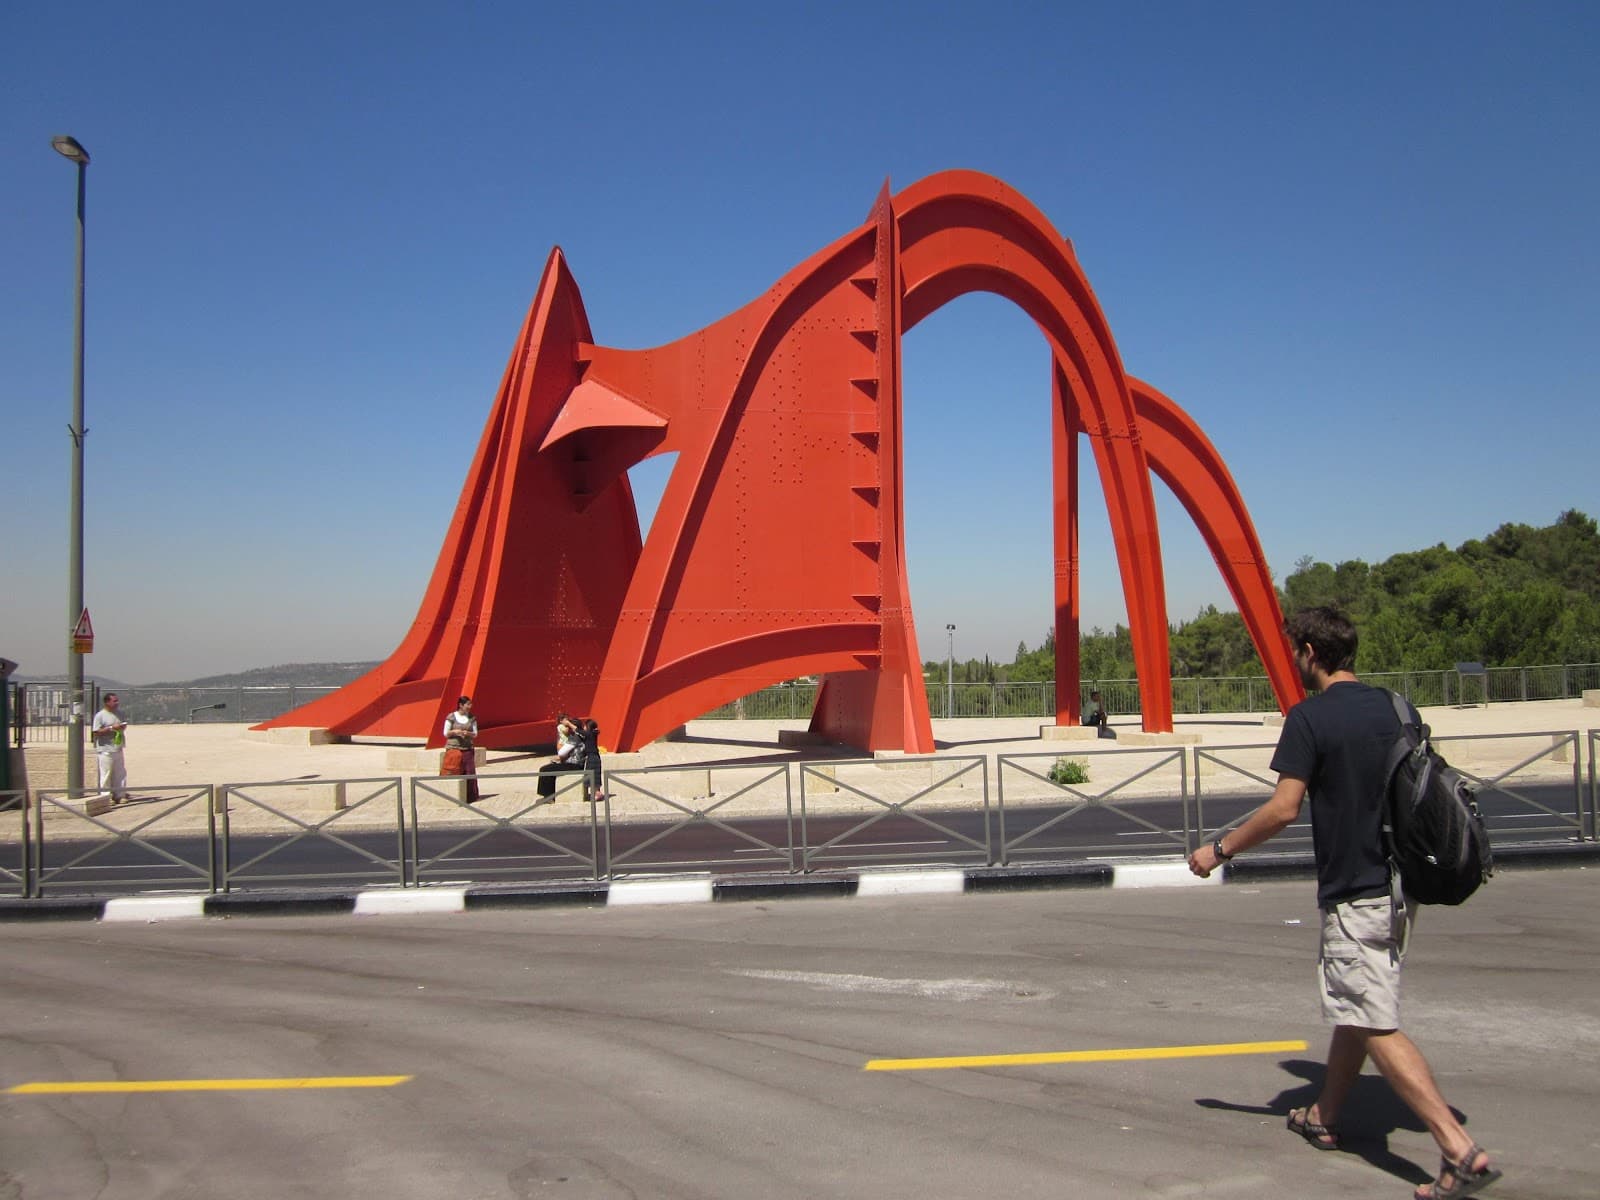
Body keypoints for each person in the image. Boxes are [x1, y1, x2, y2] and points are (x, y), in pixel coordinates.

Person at [1187, 607, 1501, 1200]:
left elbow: (1284, 808)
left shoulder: (1308, 718)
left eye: (1295, 652)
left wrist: (1219, 850)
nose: (1294, 662)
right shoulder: (1395, 707)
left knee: (1375, 1020)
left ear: (1310, 652)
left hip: (1356, 892)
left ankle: (1459, 1151)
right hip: (1400, 888)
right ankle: (1326, 1116)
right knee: (1357, 1005)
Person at [90, 692, 130, 803]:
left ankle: (120, 794)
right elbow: (96, 732)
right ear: (107, 702)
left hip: (118, 747)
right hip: (105, 749)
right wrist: (111, 728)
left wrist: (122, 727)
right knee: (106, 774)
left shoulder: (120, 713)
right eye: (114, 701)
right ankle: (106, 796)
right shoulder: (100, 716)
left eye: (117, 700)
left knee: (120, 773)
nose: (117, 703)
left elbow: (122, 725)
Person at [440, 695, 480, 803]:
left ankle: (470, 796)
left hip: (467, 748)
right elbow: (445, 733)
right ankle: (452, 796)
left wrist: (468, 733)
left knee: (469, 772)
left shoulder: (472, 718)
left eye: (470, 704)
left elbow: (475, 734)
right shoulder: (451, 717)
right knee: (453, 770)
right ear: (461, 705)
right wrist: (455, 732)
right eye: (468, 704)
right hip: (454, 749)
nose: (470, 706)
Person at [537, 714, 584, 799]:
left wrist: (555, 756)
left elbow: (561, 753)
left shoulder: (574, 738)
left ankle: (548, 796)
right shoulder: (583, 736)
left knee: (545, 769)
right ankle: (549, 795)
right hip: (578, 764)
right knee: (550, 768)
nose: (566, 729)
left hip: (573, 765)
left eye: (568, 727)